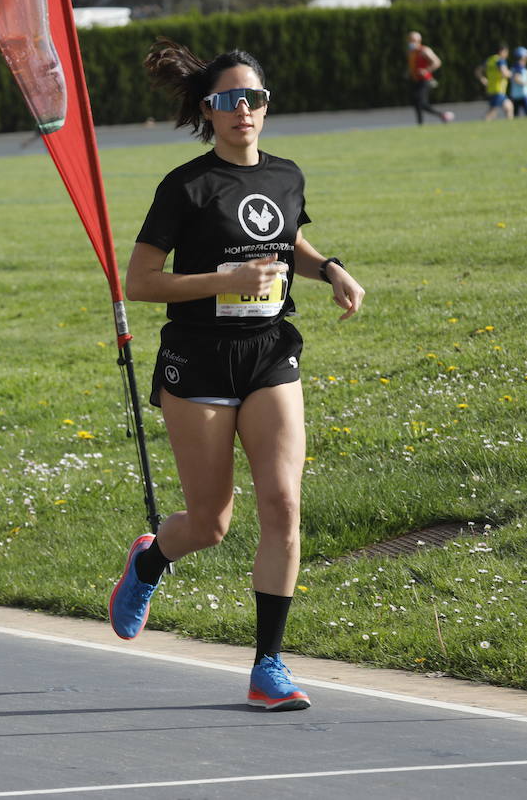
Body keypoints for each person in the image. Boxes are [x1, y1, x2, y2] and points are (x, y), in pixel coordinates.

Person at [108, 40, 365, 712]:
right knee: (210, 522)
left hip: (269, 351)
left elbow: (288, 244)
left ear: (265, 107)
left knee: (283, 503)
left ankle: (268, 666)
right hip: (199, 359)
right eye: (228, 100)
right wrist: (222, 280)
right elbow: (140, 280)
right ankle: (150, 560)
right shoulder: (186, 186)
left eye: (253, 98)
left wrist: (330, 268)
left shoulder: (285, 176)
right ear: (208, 110)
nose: (243, 110)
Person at [406, 31, 453, 125]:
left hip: (425, 80)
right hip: (415, 80)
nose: (411, 42)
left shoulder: (424, 50)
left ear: (419, 40)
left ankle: (443, 115)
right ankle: (420, 124)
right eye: (410, 40)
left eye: (413, 40)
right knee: (416, 103)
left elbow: (437, 62)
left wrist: (426, 70)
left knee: (420, 102)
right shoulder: (411, 52)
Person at [476, 44, 514, 120]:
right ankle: (482, 124)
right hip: (498, 89)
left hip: (491, 89)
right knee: (492, 111)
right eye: (506, 52)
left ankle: (510, 126)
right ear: (502, 51)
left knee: (509, 107)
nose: (507, 55)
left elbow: (477, 71)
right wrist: (512, 74)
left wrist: (483, 80)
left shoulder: (489, 60)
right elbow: (504, 73)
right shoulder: (500, 60)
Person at [509, 47, 527, 118]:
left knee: (516, 116)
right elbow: (516, 78)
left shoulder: (519, 66)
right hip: (522, 95)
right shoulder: (519, 66)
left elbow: (524, 75)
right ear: (522, 56)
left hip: (516, 95)